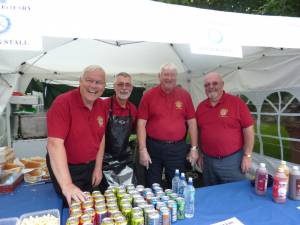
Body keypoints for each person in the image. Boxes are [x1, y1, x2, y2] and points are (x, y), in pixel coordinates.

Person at [46, 65, 107, 206]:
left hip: (89, 168)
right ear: (80, 81)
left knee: (86, 207)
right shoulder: (62, 103)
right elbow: (54, 144)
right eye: (89, 80)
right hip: (67, 168)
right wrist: (67, 184)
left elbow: (101, 137)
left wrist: (98, 167)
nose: (93, 86)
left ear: (104, 86)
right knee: (71, 208)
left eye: (98, 82)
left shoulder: (102, 105)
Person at [137, 63, 199, 188]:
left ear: (176, 78)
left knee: (177, 185)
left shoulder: (184, 95)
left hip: (177, 149)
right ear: (159, 76)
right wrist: (142, 149)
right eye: (166, 75)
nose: (169, 78)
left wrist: (193, 148)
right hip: (153, 147)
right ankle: (154, 207)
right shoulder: (148, 95)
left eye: (172, 75)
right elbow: (141, 124)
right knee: (153, 184)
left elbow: (192, 122)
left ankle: (176, 207)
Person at [196, 72, 255, 186]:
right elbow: (199, 131)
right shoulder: (201, 107)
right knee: (211, 193)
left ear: (222, 85)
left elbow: (248, 129)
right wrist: (200, 153)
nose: (211, 87)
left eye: (214, 83)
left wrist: (247, 156)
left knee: (235, 194)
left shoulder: (237, 103)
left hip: (232, 161)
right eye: (207, 85)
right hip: (208, 162)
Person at [101, 72, 137, 189]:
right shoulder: (103, 105)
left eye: (127, 85)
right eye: (120, 84)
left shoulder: (133, 108)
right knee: (109, 198)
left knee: (130, 195)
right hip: (105, 162)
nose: (124, 88)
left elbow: (138, 131)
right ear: (114, 87)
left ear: (131, 88)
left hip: (125, 161)